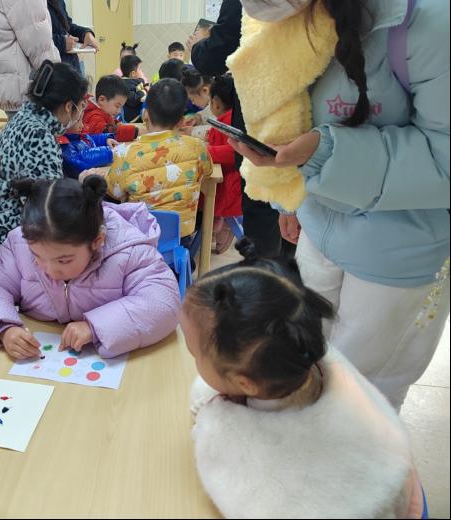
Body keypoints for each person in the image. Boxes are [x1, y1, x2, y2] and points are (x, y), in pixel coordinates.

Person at [228, 0, 450, 410]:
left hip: (397, 252)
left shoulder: (429, 20)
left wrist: (324, 154)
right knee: (306, 369)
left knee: (362, 400)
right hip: (319, 225)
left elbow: (444, 159)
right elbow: (290, 110)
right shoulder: (292, 19)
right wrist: (286, 196)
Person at [183, 239, 425, 518]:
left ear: (244, 384)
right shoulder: (313, 358)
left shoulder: (227, 434)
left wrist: (212, 412)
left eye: (194, 353)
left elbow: (207, 427)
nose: (195, 362)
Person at [0, 176, 180, 359]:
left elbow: (163, 303)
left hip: (109, 360)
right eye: (37, 256)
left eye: (63, 260)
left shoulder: (129, 252)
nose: (49, 270)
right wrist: (3, 328)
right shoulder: (20, 245)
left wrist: (95, 327)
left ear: (97, 241)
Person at [188, 0, 284, 258]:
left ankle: (264, 275)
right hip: (304, 110)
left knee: (264, 206)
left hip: (262, 114)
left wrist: (199, 45)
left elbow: (218, 51)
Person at [0, 60, 89, 256]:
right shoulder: (39, 134)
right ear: (68, 106)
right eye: (80, 106)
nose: (80, 113)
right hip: (8, 237)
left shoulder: (23, 118)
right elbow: (49, 206)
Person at [96, 79, 213, 241]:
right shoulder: (197, 147)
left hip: (140, 238)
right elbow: (208, 171)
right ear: (181, 121)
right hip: (181, 237)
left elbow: (115, 192)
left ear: (145, 115)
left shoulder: (126, 153)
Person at [0, 0, 60, 117]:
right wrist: (58, 82)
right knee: (30, 128)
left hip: (13, 84)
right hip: (24, 90)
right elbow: (39, 48)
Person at [206, 75, 243, 254]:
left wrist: (208, 151)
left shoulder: (228, 122)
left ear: (216, 102)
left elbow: (234, 151)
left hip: (230, 183)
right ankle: (219, 224)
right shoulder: (228, 120)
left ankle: (226, 228)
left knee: (214, 202)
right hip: (226, 178)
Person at [82, 75, 139, 142]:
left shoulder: (104, 111)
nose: (119, 111)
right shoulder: (94, 116)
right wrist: (136, 131)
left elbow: (109, 122)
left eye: (121, 107)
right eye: (117, 106)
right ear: (102, 100)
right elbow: (108, 132)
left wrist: (117, 123)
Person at [47, 0, 98, 71]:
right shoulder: (35, 3)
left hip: (71, 64)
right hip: (53, 68)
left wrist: (85, 34)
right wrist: (63, 42)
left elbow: (68, 26)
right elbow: (37, 40)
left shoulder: (59, 1)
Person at [121, 55, 147, 123]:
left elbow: (140, 82)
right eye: (139, 69)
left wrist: (145, 86)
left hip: (138, 113)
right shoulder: (125, 85)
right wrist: (143, 91)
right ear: (133, 73)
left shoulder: (132, 80)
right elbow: (133, 100)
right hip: (133, 117)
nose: (141, 71)